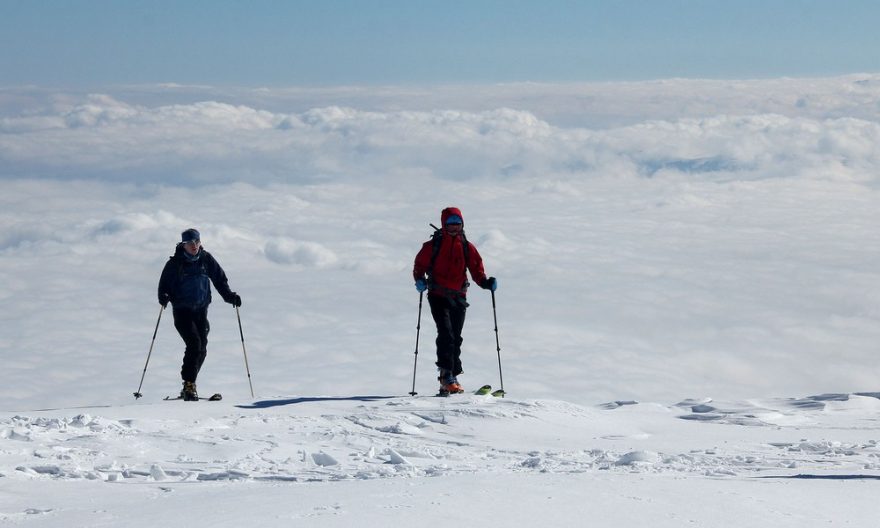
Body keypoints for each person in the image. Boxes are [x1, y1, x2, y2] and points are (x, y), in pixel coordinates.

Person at [413, 207, 497, 394]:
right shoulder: (432, 245)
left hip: (459, 297)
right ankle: (446, 376)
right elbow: (419, 265)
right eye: (450, 224)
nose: (454, 227)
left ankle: (452, 375)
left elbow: (476, 270)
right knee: (446, 334)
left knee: (456, 337)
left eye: (457, 224)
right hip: (437, 295)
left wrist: (485, 282)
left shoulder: (466, 246)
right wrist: (419, 280)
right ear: (444, 224)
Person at [157, 228, 241, 401]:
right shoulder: (175, 264)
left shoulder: (206, 259)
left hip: (201, 311)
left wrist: (230, 296)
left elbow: (219, 280)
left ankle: (188, 385)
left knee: (202, 349)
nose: (194, 246)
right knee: (194, 344)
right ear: (183, 245)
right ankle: (189, 385)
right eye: (190, 243)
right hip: (182, 311)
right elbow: (163, 285)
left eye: (196, 242)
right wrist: (163, 297)